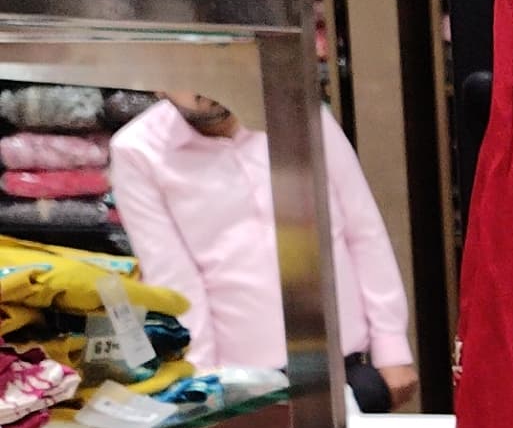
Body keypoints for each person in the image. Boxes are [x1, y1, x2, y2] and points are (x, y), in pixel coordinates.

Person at [107, 95, 418, 402]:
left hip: (348, 363)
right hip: (241, 382)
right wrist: (200, 381)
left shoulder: (299, 112)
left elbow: (362, 229)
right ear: (158, 87)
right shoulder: (138, 149)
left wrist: (391, 345)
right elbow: (172, 276)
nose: (202, 84)